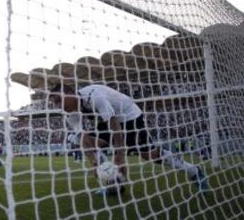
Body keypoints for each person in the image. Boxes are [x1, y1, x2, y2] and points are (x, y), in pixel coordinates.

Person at [49, 84, 208, 195]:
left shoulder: (94, 97)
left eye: (58, 101)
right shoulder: (71, 114)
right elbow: (84, 138)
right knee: (85, 141)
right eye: (55, 103)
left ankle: (194, 171)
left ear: (69, 94)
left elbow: (114, 124)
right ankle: (114, 184)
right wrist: (95, 163)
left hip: (130, 116)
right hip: (108, 122)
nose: (58, 106)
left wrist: (119, 156)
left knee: (150, 155)